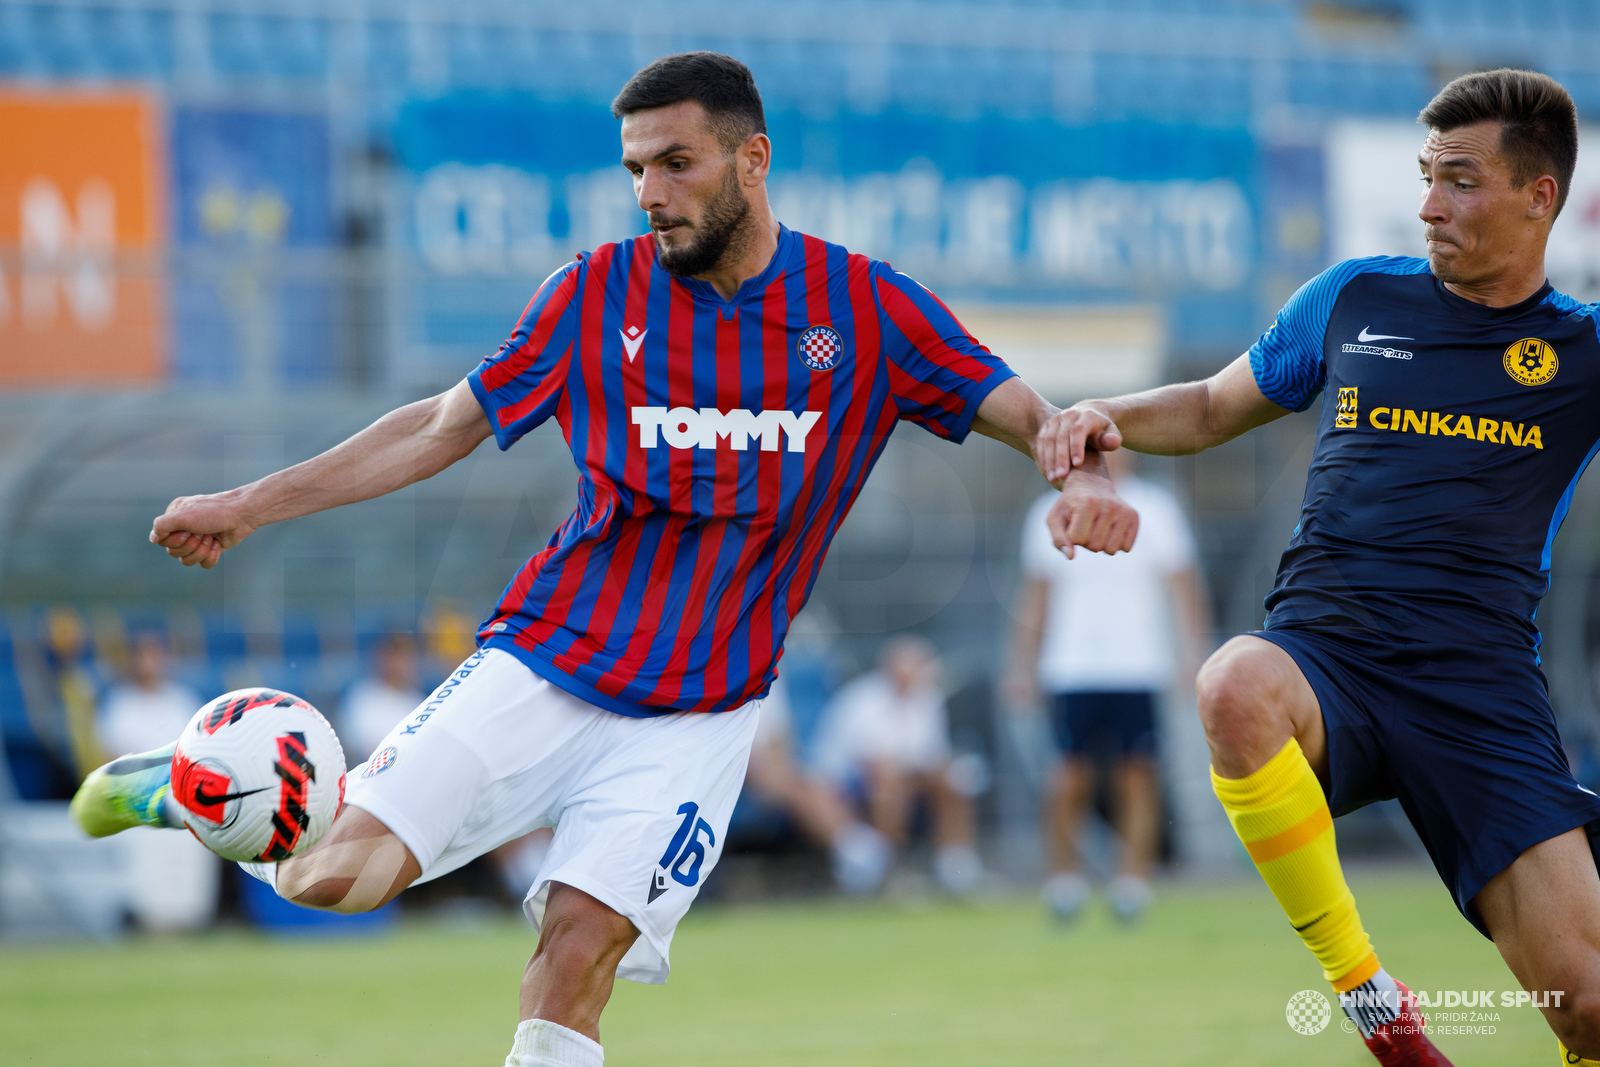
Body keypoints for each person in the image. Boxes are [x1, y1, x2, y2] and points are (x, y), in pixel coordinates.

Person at [68, 52, 1135, 1066]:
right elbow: (436, 426)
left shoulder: (866, 307)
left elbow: (1029, 414)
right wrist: (247, 504)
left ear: (750, 161)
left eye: (676, 163)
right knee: (331, 878)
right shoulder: (591, 296)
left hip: (700, 715)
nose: (649, 192)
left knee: (577, 951)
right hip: (547, 660)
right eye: (634, 169)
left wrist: (1080, 475)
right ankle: (187, 786)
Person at [1042, 69, 1600, 1066]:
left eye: (1460, 181)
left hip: (1480, 690)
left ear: (1538, 195)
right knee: (1232, 682)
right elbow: (1213, 407)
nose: (1429, 203)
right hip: (1326, 652)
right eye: (1425, 176)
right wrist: (1103, 415)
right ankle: (1374, 1006)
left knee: (1588, 1003)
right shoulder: (1353, 296)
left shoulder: (1584, 351)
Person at [1008, 448, 1208, 923]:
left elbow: (1184, 586)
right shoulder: (1049, 510)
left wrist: (1192, 656)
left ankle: (1131, 884)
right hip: (1070, 666)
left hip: (1139, 664)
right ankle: (1064, 882)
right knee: (1067, 776)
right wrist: (1022, 665)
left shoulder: (1157, 508)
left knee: (1137, 774)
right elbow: (1037, 595)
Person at [814, 636, 982, 895]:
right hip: (844, 781)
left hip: (904, 776)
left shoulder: (929, 698)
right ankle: (889, 873)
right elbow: (871, 764)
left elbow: (931, 757)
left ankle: (956, 870)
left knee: (954, 781)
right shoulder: (862, 699)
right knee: (889, 788)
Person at [97, 633, 218, 931]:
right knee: (149, 865)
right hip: (141, 797)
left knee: (188, 863)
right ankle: (148, 921)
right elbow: (114, 755)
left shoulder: (182, 699)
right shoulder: (121, 704)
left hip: (183, 795)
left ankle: (190, 919)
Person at [741, 677, 892, 895]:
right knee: (798, 784)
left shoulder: (770, 676)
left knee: (812, 784)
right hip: (739, 765)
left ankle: (855, 851)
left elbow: (779, 739)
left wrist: (786, 769)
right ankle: (859, 853)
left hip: (771, 765)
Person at [341, 633, 424, 763]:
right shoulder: (363, 695)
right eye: (395, 657)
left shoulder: (417, 700)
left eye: (406, 657)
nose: (401, 664)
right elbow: (359, 745)